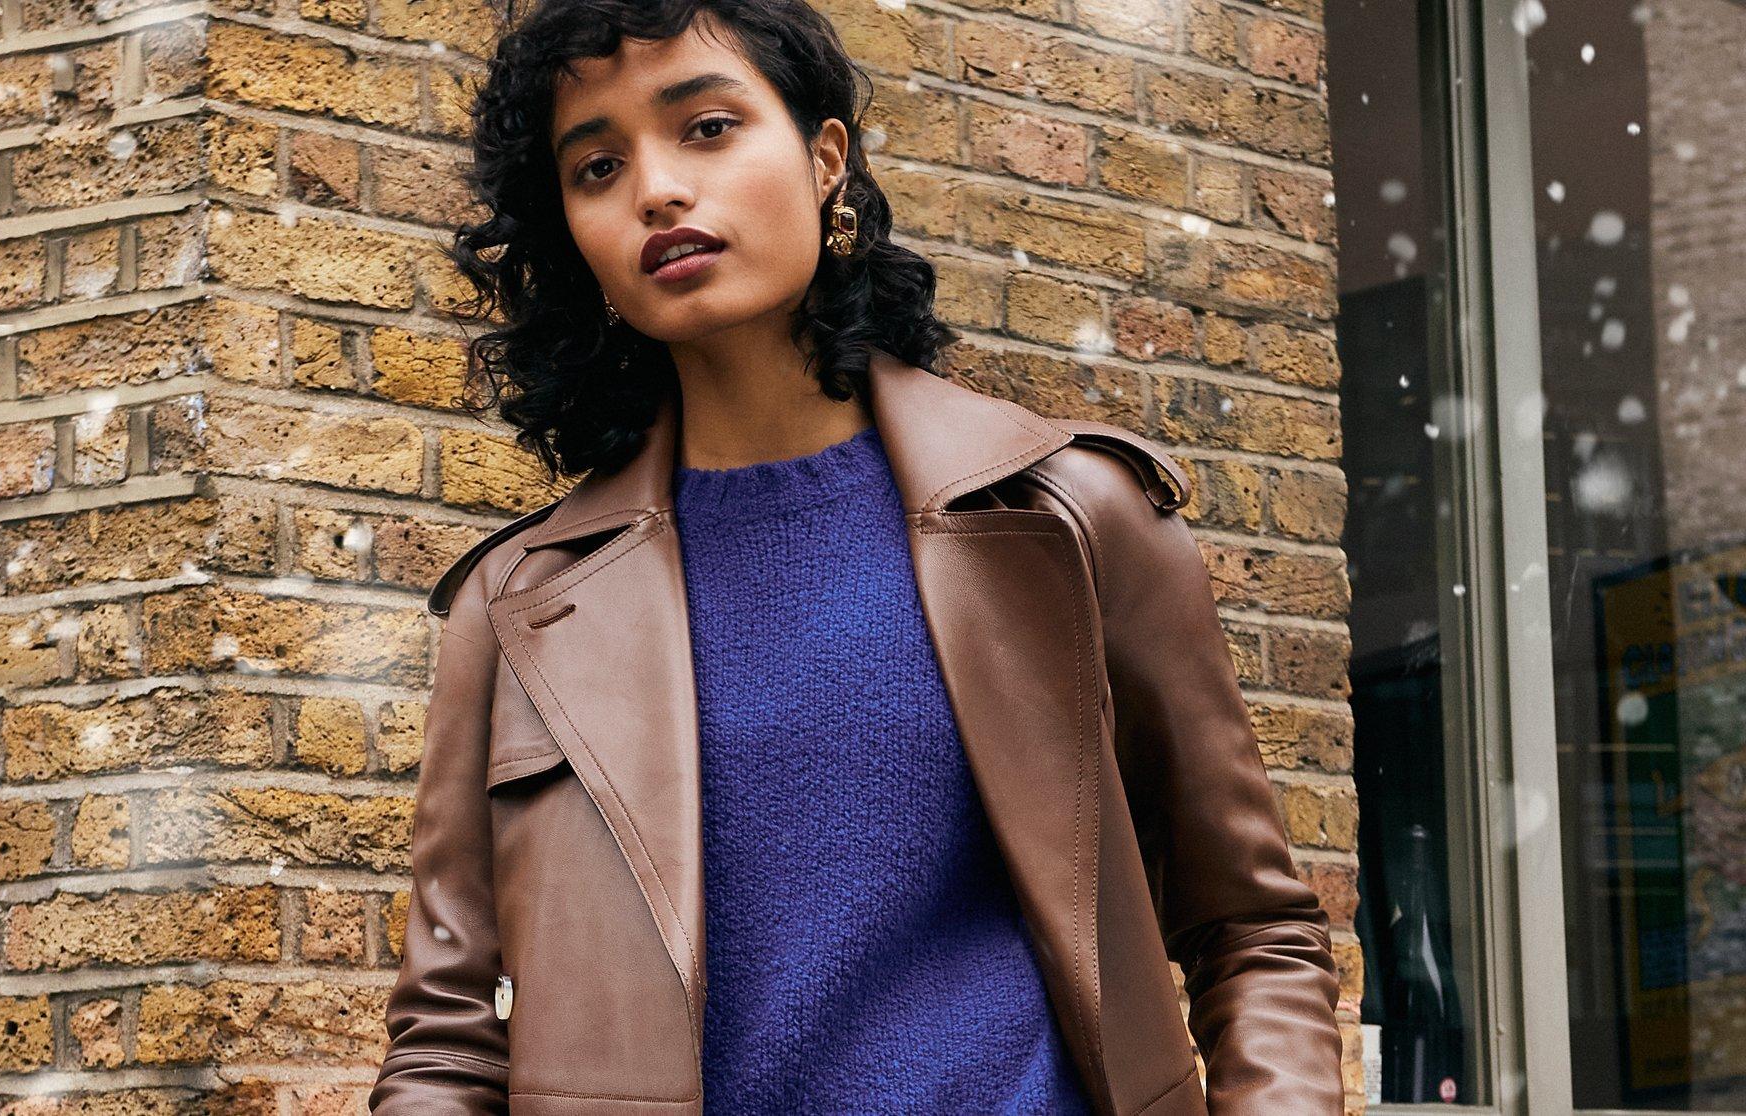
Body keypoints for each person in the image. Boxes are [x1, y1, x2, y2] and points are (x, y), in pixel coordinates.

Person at [366, 0, 1345, 1112]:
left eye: (707, 127)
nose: (656, 189)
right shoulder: (518, 605)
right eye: (597, 166)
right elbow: (445, 1044)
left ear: (826, 159)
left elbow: (1252, 930)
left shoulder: (1069, 513)